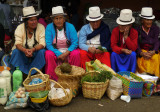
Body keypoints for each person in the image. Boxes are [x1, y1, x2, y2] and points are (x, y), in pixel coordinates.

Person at [45, 6, 80, 80]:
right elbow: (48, 44)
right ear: (53, 20)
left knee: (76, 53)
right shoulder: (49, 27)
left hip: (68, 51)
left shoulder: (70, 26)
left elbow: (75, 42)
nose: (58, 20)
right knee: (48, 54)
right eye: (56, 18)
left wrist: (66, 53)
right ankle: (53, 79)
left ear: (64, 19)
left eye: (60, 18)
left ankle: (74, 78)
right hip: (56, 52)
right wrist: (59, 54)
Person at [9, 6, 46, 75]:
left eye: (35, 19)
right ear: (26, 21)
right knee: (16, 52)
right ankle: (23, 73)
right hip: (22, 52)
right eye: (31, 20)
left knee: (42, 52)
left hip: (35, 53)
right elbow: (18, 44)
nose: (34, 22)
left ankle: (33, 73)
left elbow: (42, 44)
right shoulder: (20, 28)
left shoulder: (41, 27)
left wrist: (33, 50)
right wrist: (25, 50)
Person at [136, 7, 160, 77]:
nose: (149, 22)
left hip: (152, 51)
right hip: (142, 51)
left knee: (155, 57)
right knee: (142, 60)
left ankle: (155, 78)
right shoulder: (137, 30)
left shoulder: (156, 28)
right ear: (142, 21)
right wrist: (141, 52)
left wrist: (154, 51)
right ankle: (144, 78)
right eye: (147, 20)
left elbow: (157, 41)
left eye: (150, 20)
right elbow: (136, 43)